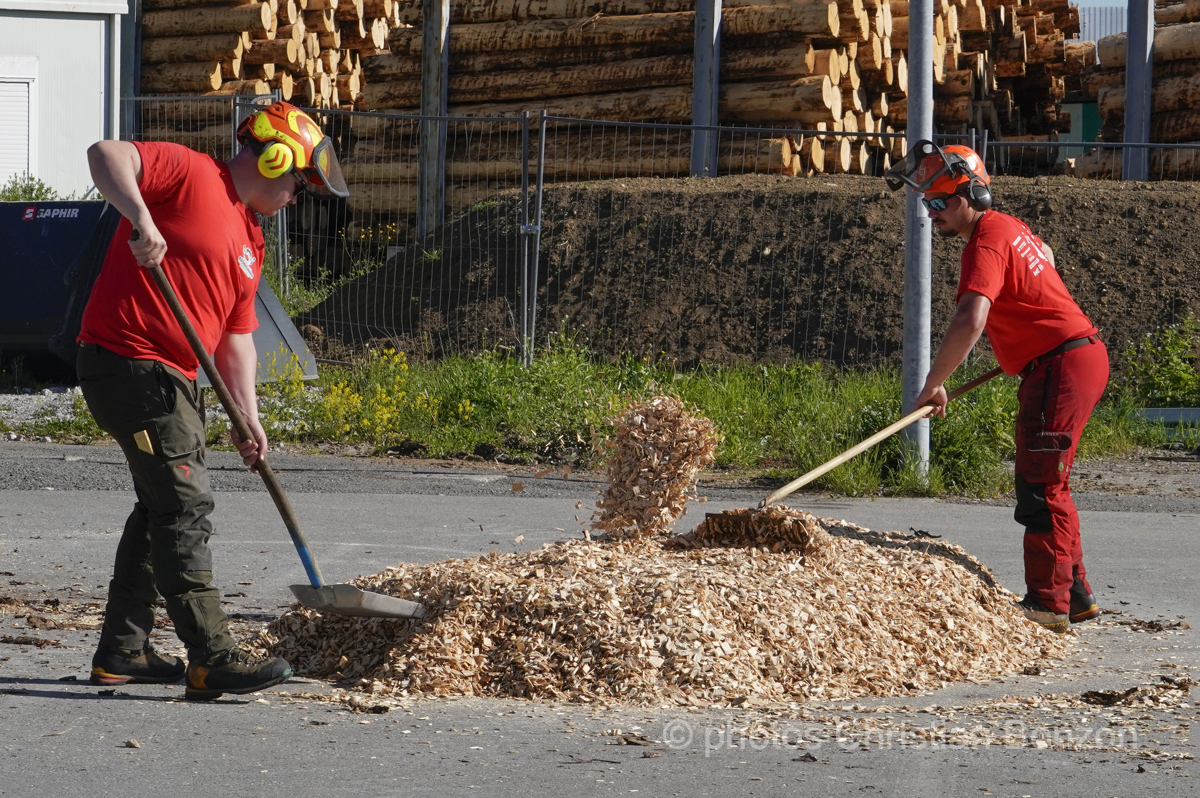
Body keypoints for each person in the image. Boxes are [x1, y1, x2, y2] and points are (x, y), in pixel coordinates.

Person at [78, 101, 349, 698]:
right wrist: (141, 218)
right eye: (298, 183)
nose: (297, 197)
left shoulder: (250, 239)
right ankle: (211, 657)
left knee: (159, 508)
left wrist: (247, 415)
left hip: (176, 378)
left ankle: (122, 651)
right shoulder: (193, 173)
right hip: (128, 362)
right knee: (184, 507)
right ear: (274, 158)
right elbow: (106, 155)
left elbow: (236, 337)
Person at [885, 141, 1108, 633]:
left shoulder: (985, 240)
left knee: (1039, 483)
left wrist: (932, 385)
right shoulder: (1009, 228)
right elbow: (1043, 254)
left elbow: (971, 317)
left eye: (940, 201)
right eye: (926, 203)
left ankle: (1047, 606)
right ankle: (1075, 595)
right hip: (1068, 359)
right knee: (1050, 480)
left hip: (1062, 364)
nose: (931, 212)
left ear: (974, 195)